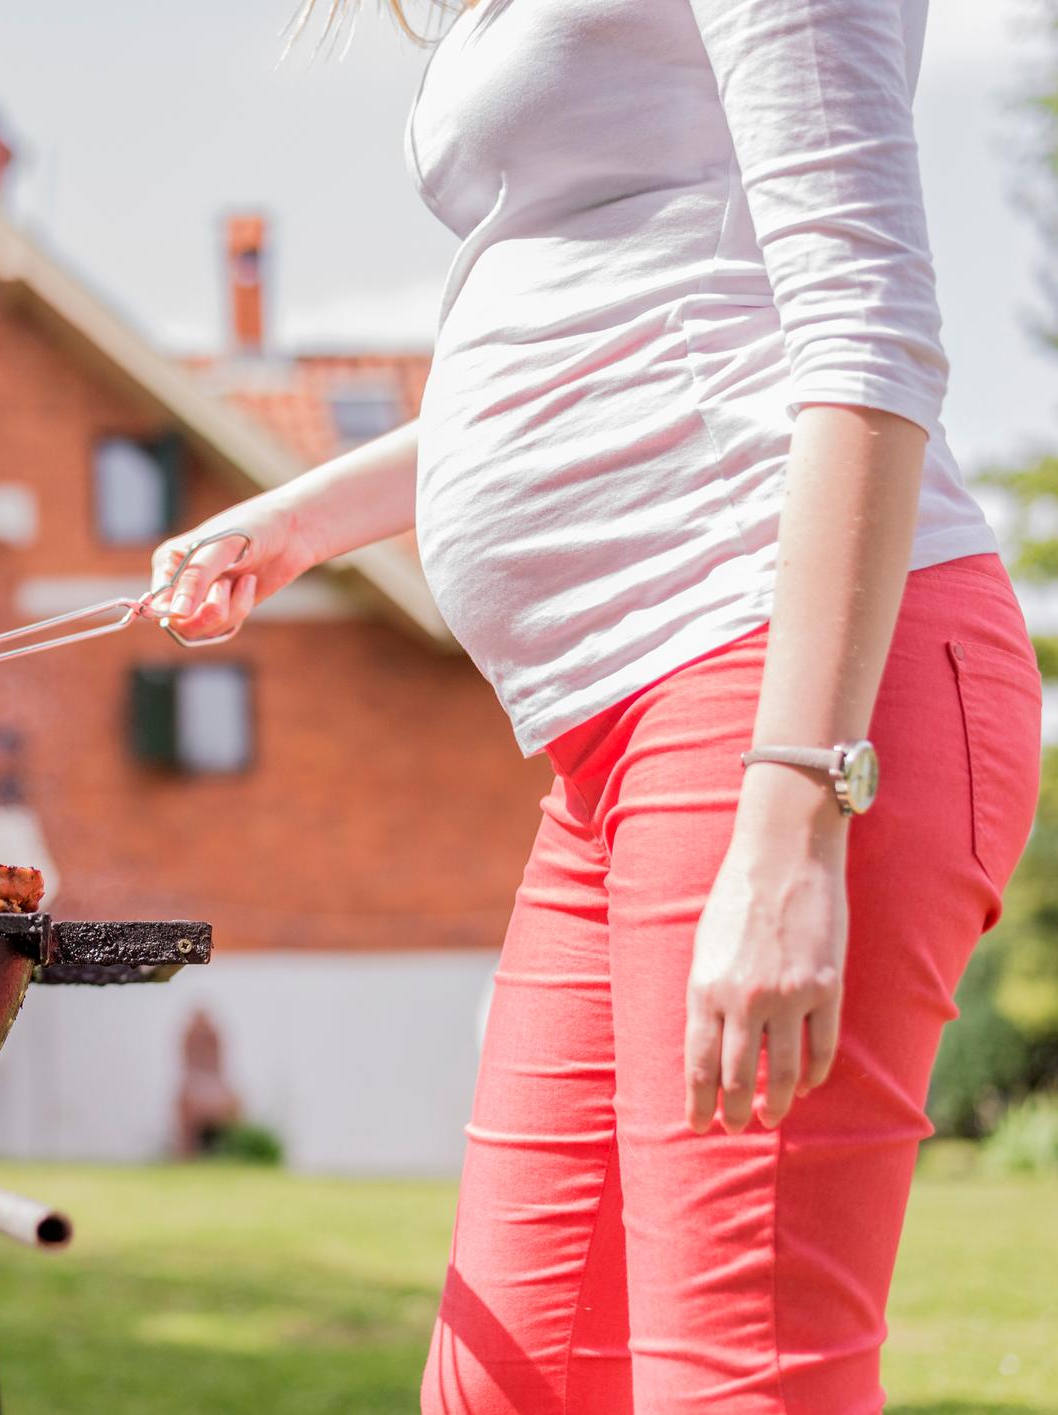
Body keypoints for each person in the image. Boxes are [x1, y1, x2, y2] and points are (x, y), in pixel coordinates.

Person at [152, 1, 1044, 1409]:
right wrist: (305, 521)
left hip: (779, 692)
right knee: (515, 1379)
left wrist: (797, 799)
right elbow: (604, 312)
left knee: (736, 1379)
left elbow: (868, 327)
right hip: (617, 740)